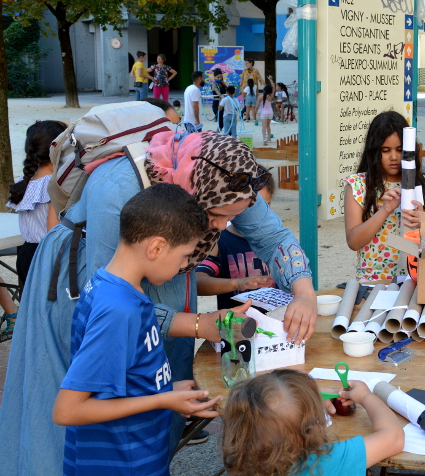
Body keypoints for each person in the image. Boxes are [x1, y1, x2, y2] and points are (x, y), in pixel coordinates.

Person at [0, 129, 318, 475]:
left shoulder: (227, 181)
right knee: (71, 416)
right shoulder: (117, 194)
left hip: (157, 275)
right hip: (79, 282)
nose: (224, 227)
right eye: (217, 216)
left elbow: (272, 236)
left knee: (154, 387)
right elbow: (111, 297)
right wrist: (198, 325)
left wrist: (304, 292)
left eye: (233, 217)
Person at [52, 184, 222, 476]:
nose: (185, 265)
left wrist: (164, 388)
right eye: (185, 256)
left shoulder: (114, 285)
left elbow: (120, 373)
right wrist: (162, 399)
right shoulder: (119, 310)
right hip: (119, 463)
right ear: (156, 247)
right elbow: (67, 410)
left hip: (137, 455)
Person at [221, 370, 404, 476]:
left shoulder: (245, 464)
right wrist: (365, 396)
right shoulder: (328, 462)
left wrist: (305, 398)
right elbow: (393, 436)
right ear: (314, 427)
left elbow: (268, 397)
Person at [345, 111, 425, 282]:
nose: (394, 157)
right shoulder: (358, 186)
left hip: (417, 279)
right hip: (372, 281)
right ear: (374, 151)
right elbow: (354, 242)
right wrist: (385, 210)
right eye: (385, 150)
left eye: (400, 149)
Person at [3, 120, 67, 338]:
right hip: (47, 255)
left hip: (26, 253)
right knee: (49, 317)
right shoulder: (54, 184)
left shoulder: (26, 180)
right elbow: (53, 230)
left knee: (34, 314)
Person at [196, 171, 276, 309]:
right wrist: (236, 283)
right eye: (249, 207)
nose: (256, 214)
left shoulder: (276, 239)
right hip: (236, 326)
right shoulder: (219, 241)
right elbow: (197, 282)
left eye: (265, 206)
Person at [259, 77, 276, 146]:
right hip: (270, 112)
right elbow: (274, 87)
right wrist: (270, 79)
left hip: (264, 113)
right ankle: (269, 138)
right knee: (268, 126)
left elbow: (257, 106)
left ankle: (264, 139)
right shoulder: (271, 96)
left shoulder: (260, 97)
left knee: (264, 126)